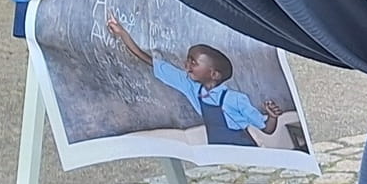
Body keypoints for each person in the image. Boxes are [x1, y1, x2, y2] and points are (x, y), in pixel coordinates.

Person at [106, 17, 286, 148]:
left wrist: (273, 116)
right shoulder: (190, 86)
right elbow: (148, 60)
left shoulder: (235, 99)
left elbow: (267, 129)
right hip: (216, 152)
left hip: (244, 151)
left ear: (214, 74)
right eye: (188, 60)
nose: (187, 66)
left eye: (194, 63)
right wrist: (123, 34)